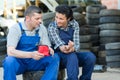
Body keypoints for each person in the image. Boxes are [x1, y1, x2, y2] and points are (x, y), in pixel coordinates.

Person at [2, 5, 59, 80]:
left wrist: (48, 49)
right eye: (37, 19)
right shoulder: (16, 29)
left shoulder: (41, 28)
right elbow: (10, 51)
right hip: (19, 63)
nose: (40, 21)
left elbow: (46, 45)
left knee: (54, 57)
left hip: (35, 61)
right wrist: (31, 54)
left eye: (41, 18)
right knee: (9, 61)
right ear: (28, 18)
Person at [48, 4, 96, 80]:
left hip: (71, 54)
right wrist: (66, 48)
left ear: (68, 19)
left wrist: (72, 48)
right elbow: (60, 45)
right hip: (57, 56)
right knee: (71, 56)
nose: (57, 20)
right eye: (56, 17)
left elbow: (77, 45)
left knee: (90, 57)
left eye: (61, 19)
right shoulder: (52, 26)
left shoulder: (74, 24)